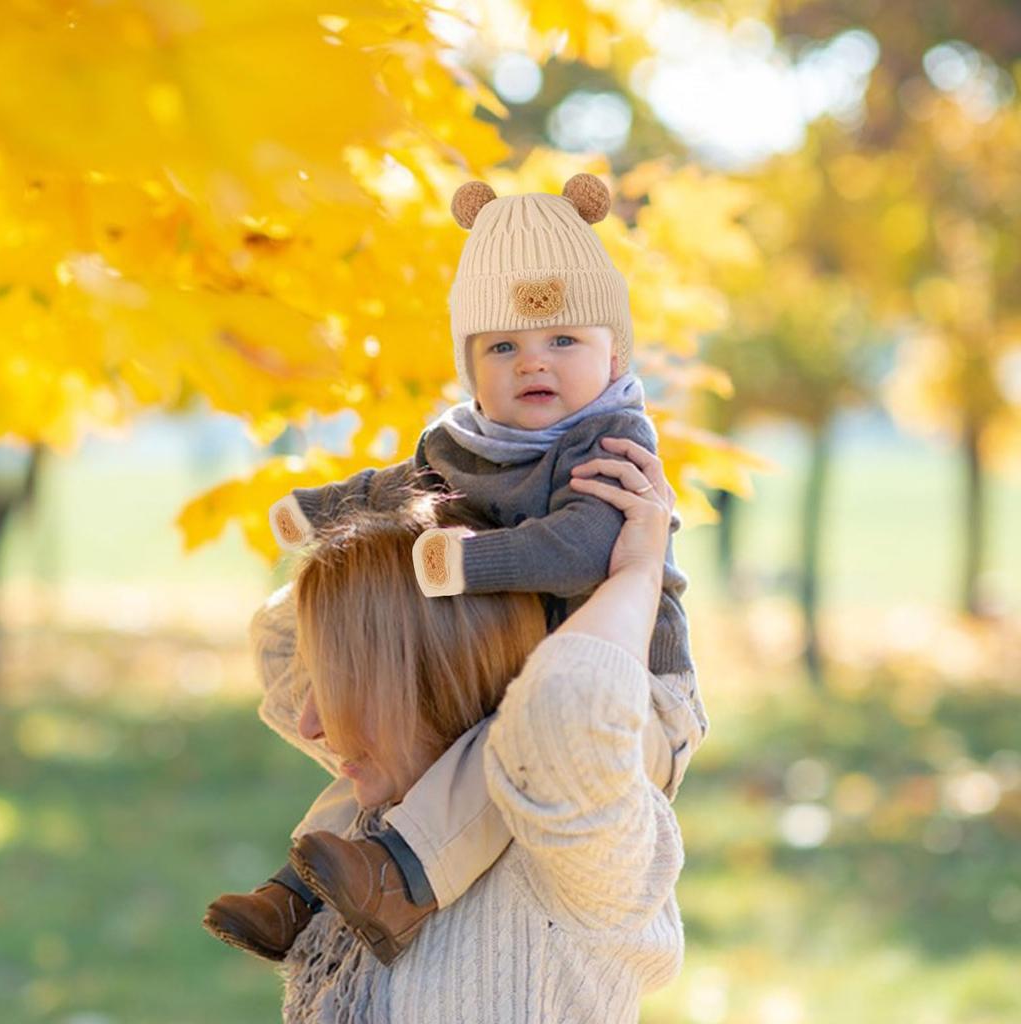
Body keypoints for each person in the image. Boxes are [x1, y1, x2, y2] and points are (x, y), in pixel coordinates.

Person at [203, 174, 707, 964]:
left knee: (502, 747)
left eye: (563, 341)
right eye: (503, 346)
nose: (533, 363)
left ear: (615, 352)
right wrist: (320, 511)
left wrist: (469, 565)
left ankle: (403, 874)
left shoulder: (612, 444)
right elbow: (400, 488)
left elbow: (582, 549)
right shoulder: (465, 443)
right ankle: (300, 885)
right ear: (472, 370)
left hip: (626, 697)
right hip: (509, 668)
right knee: (403, 737)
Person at [274, 439, 688, 1022]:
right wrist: (471, 477)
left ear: (435, 681)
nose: (310, 724)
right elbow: (275, 641)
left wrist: (640, 575)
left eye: (341, 685)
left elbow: (570, 698)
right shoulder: (396, 812)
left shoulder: (567, 846)